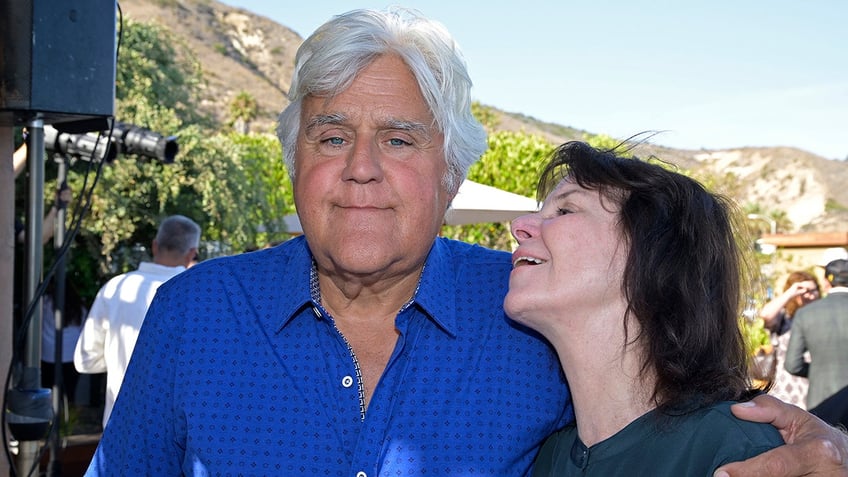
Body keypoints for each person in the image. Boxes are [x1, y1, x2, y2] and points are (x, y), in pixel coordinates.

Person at [82, 8, 848, 477]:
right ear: (294, 161)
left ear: (450, 175)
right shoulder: (195, 316)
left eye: (399, 139)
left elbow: (669, 408)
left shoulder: (527, 315)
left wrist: (828, 449)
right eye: (331, 134)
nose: (360, 169)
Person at [505, 140, 784, 475]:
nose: (519, 225)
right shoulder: (551, 457)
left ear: (655, 255)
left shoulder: (739, 452)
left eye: (565, 211)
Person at [74, 214, 200, 428]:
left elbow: (85, 360)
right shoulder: (198, 294)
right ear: (192, 253)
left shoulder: (116, 288)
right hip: (176, 432)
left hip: (118, 428)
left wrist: (120, 361)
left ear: (154, 245)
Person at [786, 259, 848, 421]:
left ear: (827, 283)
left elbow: (793, 364)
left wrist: (818, 370)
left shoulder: (806, 313)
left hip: (822, 399)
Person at [760, 271, 820, 408]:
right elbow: (765, 315)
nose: (809, 295)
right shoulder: (785, 317)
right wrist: (791, 292)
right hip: (787, 387)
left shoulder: (822, 316)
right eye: (803, 291)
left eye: (813, 290)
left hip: (814, 383)